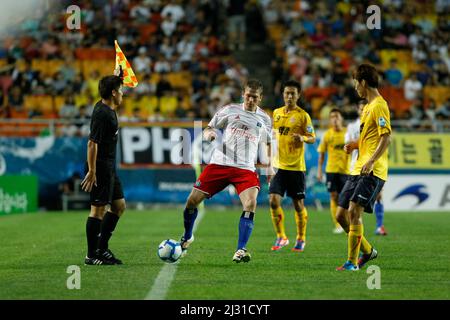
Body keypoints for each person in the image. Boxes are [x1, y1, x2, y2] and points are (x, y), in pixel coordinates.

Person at [179, 79, 272, 263]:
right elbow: (209, 127)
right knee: (191, 201)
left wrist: (270, 166)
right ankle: (188, 236)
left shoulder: (265, 119)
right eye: (247, 95)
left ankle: (240, 249)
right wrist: (210, 134)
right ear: (243, 94)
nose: (250, 99)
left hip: (245, 169)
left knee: (250, 204)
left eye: (254, 97)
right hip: (220, 163)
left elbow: (268, 143)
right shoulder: (230, 110)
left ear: (260, 98)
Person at [336, 64, 392, 271]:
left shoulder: (379, 105)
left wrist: (371, 160)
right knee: (340, 216)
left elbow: (386, 137)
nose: (355, 88)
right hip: (358, 168)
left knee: (353, 212)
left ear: (363, 82)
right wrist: (354, 145)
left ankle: (351, 262)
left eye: (356, 84)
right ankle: (368, 251)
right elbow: (370, 137)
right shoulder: (367, 107)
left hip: (372, 170)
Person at [80, 67, 126, 265]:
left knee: (118, 206)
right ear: (114, 93)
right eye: (121, 89)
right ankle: (91, 255)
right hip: (99, 167)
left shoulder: (108, 107)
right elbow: (92, 143)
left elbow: (112, 85)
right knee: (97, 210)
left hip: (109, 167)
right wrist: (92, 171)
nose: (123, 93)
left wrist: (118, 75)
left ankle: (102, 247)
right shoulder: (102, 114)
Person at [269, 80, 316, 252]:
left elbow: (312, 137)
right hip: (279, 166)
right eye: (287, 93)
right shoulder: (276, 113)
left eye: (293, 93)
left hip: (296, 167)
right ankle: (281, 237)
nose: (289, 96)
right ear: (283, 94)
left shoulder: (303, 116)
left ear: (298, 95)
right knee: (274, 201)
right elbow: (273, 138)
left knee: (298, 205)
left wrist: (303, 138)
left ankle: (301, 238)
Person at [346, 101, 388, 236]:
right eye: (360, 108)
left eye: (365, 108)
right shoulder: (353, 126)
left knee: (378, 196)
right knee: (354, 207)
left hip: (372, 166)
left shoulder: (374, 119)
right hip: (356, 166)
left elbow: (386, 138)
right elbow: (348, 143)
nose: (363, 110)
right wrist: (350, 145)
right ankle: (359, 235)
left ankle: (379, 226)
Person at [317, 108, 349, 234]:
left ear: (341, 118)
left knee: (345, 198)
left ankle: (347, 220)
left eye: (336, 116)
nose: (334, 119)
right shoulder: (328, 134)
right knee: (334, 196)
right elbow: (322, 154)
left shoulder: (348, 133)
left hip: (346, 171)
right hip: (331, 170)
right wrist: (320, 171)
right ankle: (338, 224)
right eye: (332, 117)